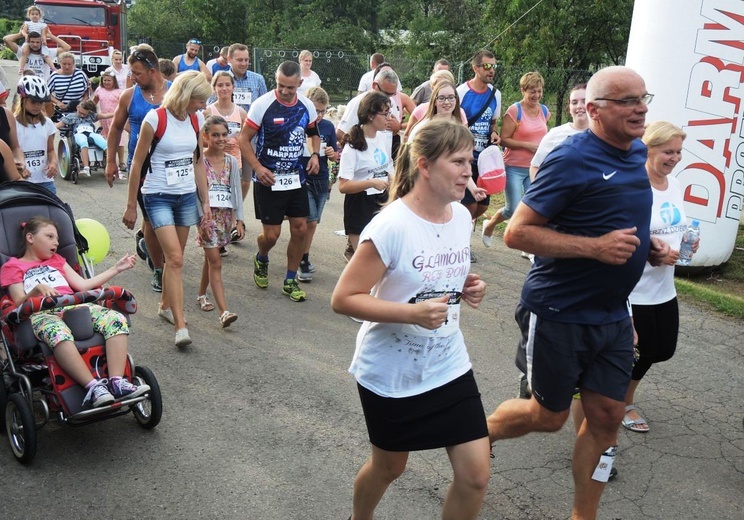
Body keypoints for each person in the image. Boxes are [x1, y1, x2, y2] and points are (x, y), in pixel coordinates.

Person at [486, 66, 670, 519]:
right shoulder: (571, 158)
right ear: (594, 110)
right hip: (558, 311)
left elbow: (616, 218)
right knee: (547, 417)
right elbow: (517, 233)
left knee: (608, 417)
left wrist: (646, 247)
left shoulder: (637, 153)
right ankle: (478, 433)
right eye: (626, 101)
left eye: (642, 98)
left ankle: (582, 515)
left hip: (611, 315)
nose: (641, 108)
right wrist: (595, 248)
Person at [330, 119, 490, 520]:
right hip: (392, 372)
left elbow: (434, 275)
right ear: (424, 165)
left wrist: (464, 286)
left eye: (469, 161)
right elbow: (344, 298)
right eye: (458, 162)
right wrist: (412, 314)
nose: (468, 171)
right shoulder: (391, 226)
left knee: (475, 475)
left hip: (447, 362)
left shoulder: (460, 218)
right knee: (390, 467)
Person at [0, 217, 149, 409]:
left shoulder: (57, 260)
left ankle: (117, 381)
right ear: (30, 237)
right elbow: (18, 302)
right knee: (58, 333)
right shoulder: (12, 267)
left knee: (115, 319)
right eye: (50, 236)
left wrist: (116, 268)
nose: (56, 242)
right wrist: (35, 291)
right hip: (40, 312)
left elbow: (83, 285)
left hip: (72, 305)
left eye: (58, 238)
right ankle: (93, 387)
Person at [123, 70, 212, 347]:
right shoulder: (155, 118)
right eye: (199, 100)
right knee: (174, 259)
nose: (202, 105)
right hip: (157, 195)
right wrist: (130, 206)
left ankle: (164, 305)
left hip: (185, 196)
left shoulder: (196, 119)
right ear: (186, 96)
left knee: (177, 258)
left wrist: (205, 201)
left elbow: (197, 161)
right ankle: (180, 324)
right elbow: (137, 163)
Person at [624, 121, 697, 433]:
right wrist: (651, 251)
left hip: (663, 286)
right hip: (632, 289)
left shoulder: (676, 184)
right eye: (668, 151)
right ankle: (621, 404)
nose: (675, 158)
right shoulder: (633, 187)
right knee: (639, 353)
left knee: (663, 349)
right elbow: (621, 239)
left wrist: (688, 243)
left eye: (679, 151)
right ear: (647, 149)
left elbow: (676, 225)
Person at [238, 60, 320, 303]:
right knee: (271, 236)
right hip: (268, 179)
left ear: (300, 84)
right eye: (280, 86)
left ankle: (290, 279)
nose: (284, 91)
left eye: (290, 88)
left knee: (300, 228)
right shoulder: (262, 105)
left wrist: (314, 153)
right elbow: (244, 140)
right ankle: (262, 257)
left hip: (295, 178)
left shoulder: (306, 106)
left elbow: (314, 132)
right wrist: (258, 167)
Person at [105, 45, 170, 293]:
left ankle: (154, 248)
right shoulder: (129, 96)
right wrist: (111, 160)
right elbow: (115, 128)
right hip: (141, 169)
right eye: (131, 73)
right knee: (153, 222)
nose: (132, 78)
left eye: (137, 73)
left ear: (153, 71)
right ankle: (158, 268)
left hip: (172, 169)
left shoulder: (174, 92)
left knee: (166, 221)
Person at [482, 72, 550, 248]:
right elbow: (503, 140)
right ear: (523, 90)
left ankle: (528, 248)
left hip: (534, 168)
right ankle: (489, 225)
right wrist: (528, 146)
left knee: (533, 209)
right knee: (512, 209)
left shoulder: (544, 111)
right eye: (532, 91)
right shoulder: (515, 111)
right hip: (513, 167)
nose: (536, 95)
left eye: (539, 91)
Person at [196, 115, 243, 327]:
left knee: (211, 258)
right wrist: (200, 220)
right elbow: (195, 192)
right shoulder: (198, 161)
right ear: (206, 136)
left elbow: (236, 191)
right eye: (215, 135)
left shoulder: (231, 162)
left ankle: (200, 294)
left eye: (224, 134)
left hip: (224, 218)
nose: (221, 138)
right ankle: (224, 312)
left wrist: (239, 219)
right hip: (206, 219)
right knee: (216, 261)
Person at [337, 91, 393, 256]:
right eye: (385, 114)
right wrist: (371, 182)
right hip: (359, 205)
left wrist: (396, 183)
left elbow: (388, 166)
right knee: (364, 260)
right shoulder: (352, 146)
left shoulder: (382, 136)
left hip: (381, 200)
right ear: (370, 116)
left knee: (383, 259)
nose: (389, 118)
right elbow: (343, 186)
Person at [203, 70, 248, 253]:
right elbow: (201, 138)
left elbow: (245, 138)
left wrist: (235, 145)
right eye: (220, 85)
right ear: (214, 88)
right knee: (214, 198)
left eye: (227, 84)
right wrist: (218, 144)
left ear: (233, 87)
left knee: (232, 197)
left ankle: (228, 228)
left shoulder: (241, 112)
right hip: (213, 162)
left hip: (235, 161)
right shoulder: (208, 111)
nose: (224, 88)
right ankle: (213, 235)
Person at [297, 86, 338, 282]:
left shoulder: (329, 127)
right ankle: (301, 260)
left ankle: (303, 254)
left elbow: (336, 155)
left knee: (313, 224)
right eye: (316, 110)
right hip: (302, 178)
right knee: (309, 220)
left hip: (321, 178)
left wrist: (332, 154)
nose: (319, 115)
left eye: (323, 110)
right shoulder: (299, 123)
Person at [456, 50, 501, 225]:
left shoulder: (495, 94)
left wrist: (494, 133)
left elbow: (493, 122)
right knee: (469, 206)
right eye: (487, 66)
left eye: (494, 66)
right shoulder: (461, 92)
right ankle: (464, 247)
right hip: (466, 157)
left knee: (482, 206)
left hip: (485, 160)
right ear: (475, 68)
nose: (491, 70)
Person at [226, 43, 268, 200]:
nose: (243, 63)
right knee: (225, 175)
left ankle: (238, 209)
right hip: (227, 137)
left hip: (250, 137)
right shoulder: (222, 78)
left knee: (246, 178)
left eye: (246, 60)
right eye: (239, 60)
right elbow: (211, 105)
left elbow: (265, 105)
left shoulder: (258, 80)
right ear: (230, 59)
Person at [14, 76, 58, 194]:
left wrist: (53, 163)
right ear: (23, 99)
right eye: (33, 102)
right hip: (22, 180)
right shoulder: (13, 123)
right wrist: (17, 168)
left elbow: (50, 150)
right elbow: (10, 151)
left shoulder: (47, 123)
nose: (37, 106)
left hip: (45, 181)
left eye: (40, 102)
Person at [403, 69, 465, 142]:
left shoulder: (460, 123)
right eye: (441, 98)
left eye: (451, 97)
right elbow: (408, 140)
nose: (447, 102)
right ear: (434, 100)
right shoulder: (424, 128)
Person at [55, 99, 111, 177]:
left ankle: (111, 165)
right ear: (77, 107)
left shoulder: (91, 115)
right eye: (80, 112)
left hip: (91, 133)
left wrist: (117, 113)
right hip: (78, 134)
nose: (81, 115)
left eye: (84, 114)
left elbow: (105, 115)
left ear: (89, 112)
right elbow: (58, 125)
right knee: (84, 142)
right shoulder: (71, 116)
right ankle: (86, 167)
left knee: (105, 143)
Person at [3, 30, 71, 82]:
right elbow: (6, 39)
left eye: (37, 42)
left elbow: (67, 47)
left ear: (41, 42)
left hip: (43, 87)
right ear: (28, 42)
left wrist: (50, 36)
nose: (35, 45)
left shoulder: (48, 53)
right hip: (26, 85)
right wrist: (21, 34)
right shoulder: (22, 52)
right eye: (32, 42)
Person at [93, 70, 126, 176]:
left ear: (114, 81)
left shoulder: (119, 92)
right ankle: (107, 161)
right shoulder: (99, 90)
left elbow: (123, 105)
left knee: (119, 140)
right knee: (105, 139)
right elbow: (94, 102)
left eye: (109, 80)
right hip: (104, 119)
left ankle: (121, 161)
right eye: (105, 80)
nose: (107, 82)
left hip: (115, 118)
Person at [17, 6, 52, 75]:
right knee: (24, 53)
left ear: (39, 16)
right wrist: (26, 35)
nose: (34, 16)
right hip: (29, 41)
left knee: (46, 54)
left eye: (36, 14)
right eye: (32, 14)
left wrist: (44, 40)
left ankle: (53, 68)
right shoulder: (27, 23)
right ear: (29, 15)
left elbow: (43, 34)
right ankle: (21, 68)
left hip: (39, 42)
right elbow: (23, 31)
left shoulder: (43, 25)